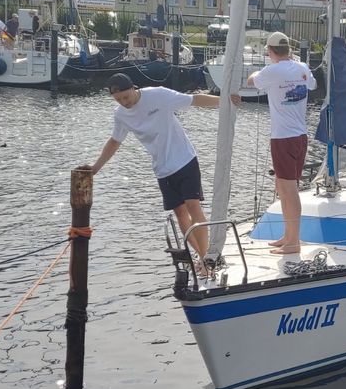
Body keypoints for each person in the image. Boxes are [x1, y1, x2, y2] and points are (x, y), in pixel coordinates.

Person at [88, 73, 241, 274]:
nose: (124, 102)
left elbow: (193, 100)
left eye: (126, 97)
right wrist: (96, 168)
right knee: (180, 214)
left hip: (185, 159)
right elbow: (115, 141)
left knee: (193, 206)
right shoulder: (121, 115)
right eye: (118, 100)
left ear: (134, 88)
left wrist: (225, 101)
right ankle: (200, 254)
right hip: (162, 168)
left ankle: (205, 261)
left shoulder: (158, 95)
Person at [243, 31, 316, 255]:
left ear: (270, 51)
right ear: (288, 49)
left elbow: (251, 81)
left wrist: (258, 70)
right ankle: (288, 235)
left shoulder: (271, 70)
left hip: (283, 138)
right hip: (301, 136)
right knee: (283, 188)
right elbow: (312, 85)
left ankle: (294, 242)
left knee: (288, 189)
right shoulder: (302, 67)